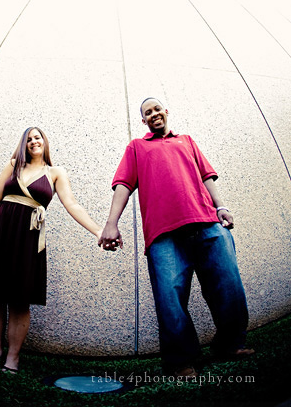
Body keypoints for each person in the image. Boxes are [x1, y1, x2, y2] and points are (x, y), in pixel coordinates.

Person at [99, 97, 253, 379]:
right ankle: (181, 360)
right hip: (163, 235)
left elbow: (207, 176)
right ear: (143, 121)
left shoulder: (187, 141)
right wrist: (111, 223)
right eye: (148, 112)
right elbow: (123, 183)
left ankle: (229, 345)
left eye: (157, 108)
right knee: (169, 298)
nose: (154, 114)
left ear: (166, 112)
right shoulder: (137, 147)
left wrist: (222, 207)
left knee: (228, 286)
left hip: (207, 223)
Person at [0, 126, 102, 373]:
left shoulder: (55, 173)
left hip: (28, 239)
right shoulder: (13, 165)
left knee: (20, 300)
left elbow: (71, 204)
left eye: (37, 137)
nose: (33, 141)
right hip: (0, 230)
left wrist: (98, 231)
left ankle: (13, 358)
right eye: (28, 139)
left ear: (45, 142)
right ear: (23, 144)